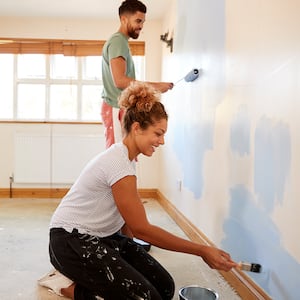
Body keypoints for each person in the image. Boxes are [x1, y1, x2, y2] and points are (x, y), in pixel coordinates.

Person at [39, 81, 238, 300]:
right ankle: (64, 284)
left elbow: (125, 217)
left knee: (164, 288)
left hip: (104, 236)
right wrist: (202, 250)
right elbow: (141, 228)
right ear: (136, 128)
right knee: (145, 297)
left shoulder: (128, 159)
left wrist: (128, 258)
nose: (161, 141)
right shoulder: (118, 164)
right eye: (158, 133)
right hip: (70, 242)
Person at [101, 0, 174, 149]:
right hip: (115, 107)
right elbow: (120, 81)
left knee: (126, 155)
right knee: (118, 157)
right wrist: (156, 87)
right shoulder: (118, 42)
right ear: (124, 19)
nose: (141, 26)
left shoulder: (121, 42)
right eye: (138, 21)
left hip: (119, 108)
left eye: (143, 22)